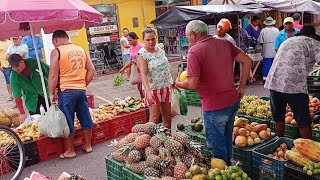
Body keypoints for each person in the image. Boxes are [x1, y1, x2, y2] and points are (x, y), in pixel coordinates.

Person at [175, 20, 252, 165]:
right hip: (232, 102)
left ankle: (224, 170)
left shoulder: (195, 51)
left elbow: (191, 84)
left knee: (217, 149)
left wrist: (177, 83)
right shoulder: (225, 43)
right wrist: (241, 87)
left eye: (187, 37)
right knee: (227, 140)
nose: (187, 40)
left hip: (214, 107)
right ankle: (229, 167)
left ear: (192, 35)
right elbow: (247, 61)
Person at [265, 26, 320, 139]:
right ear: (312, 35)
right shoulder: (314, 42)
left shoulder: (288, 40)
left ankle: (279, 140)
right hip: (295, 85)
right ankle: (309, 149)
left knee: (279, 116)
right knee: (303, 119)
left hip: (275, 82)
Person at [49, 30, 96, 158]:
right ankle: (88, 145)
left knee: (68, 120)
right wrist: (83, 85)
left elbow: (53, 75)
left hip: (66, 91)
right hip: (81, 90)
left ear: (56, 40)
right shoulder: (80, 49)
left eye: (53, 43)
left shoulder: (57, 51)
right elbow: (91, 70)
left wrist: (51, 93)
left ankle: (70, 150)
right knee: (85, 117)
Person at [137, 28, 173, 129]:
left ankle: (168, 136)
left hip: (165, 86)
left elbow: (165, 67)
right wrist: (148, 92)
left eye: (153, 39)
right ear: (143, 39)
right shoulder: (142, 54)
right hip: (152, 89)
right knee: (154, 117)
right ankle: (150, 141)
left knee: (167, 115)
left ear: (156, 37)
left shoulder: (160, 48)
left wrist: (171, 81)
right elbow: (143, 74)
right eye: (148, 40)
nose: (151, 42)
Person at [8, 54, 50, 122]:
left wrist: (56, 89)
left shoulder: (35, 63)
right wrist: (22, 113)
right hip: (31, 100)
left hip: (46, 93)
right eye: (13, 67)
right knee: (35, 122)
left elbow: (50, 73)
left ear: (22, 61)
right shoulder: (14, 76)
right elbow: (17, 96)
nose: (16, 69)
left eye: (17, 66)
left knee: (53, 116)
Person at [119, 32, 144, 99]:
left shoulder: (141, 46)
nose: (129, 42)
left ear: (135, 39)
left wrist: (137, 61)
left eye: (130, 40)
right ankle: (144, 101)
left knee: (144, 88)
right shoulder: (131, 48)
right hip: (137, 70)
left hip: (143, 70)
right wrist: (124, 68)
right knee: (140, 89)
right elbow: (131, 61)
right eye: (128, 40)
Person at [258, 17, 279, 83]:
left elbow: (260, 41)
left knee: (266, 65)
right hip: (275, 49)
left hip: (266, 50)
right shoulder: (277, 30)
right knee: (274, 64)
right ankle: (274, 79)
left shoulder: (263, 30)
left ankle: (265, 80)